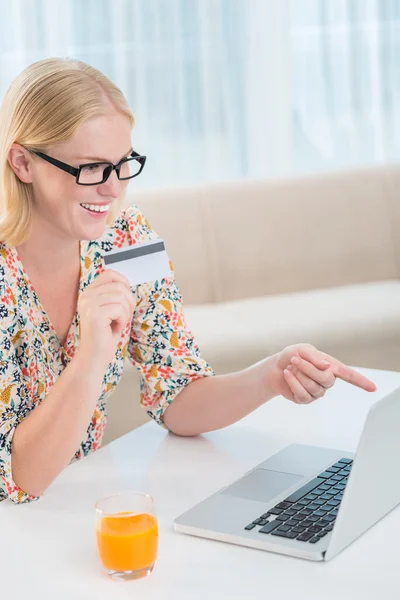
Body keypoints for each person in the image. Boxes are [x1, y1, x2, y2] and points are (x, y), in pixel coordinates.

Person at [0, 58, 376, 505]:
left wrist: (268, 377)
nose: (114, 189)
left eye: (123, 165)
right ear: (23, 162)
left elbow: (176, 397)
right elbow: (20, 479)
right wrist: (90, 359)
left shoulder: (127, 241)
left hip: (76, 505)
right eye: (92, 168)